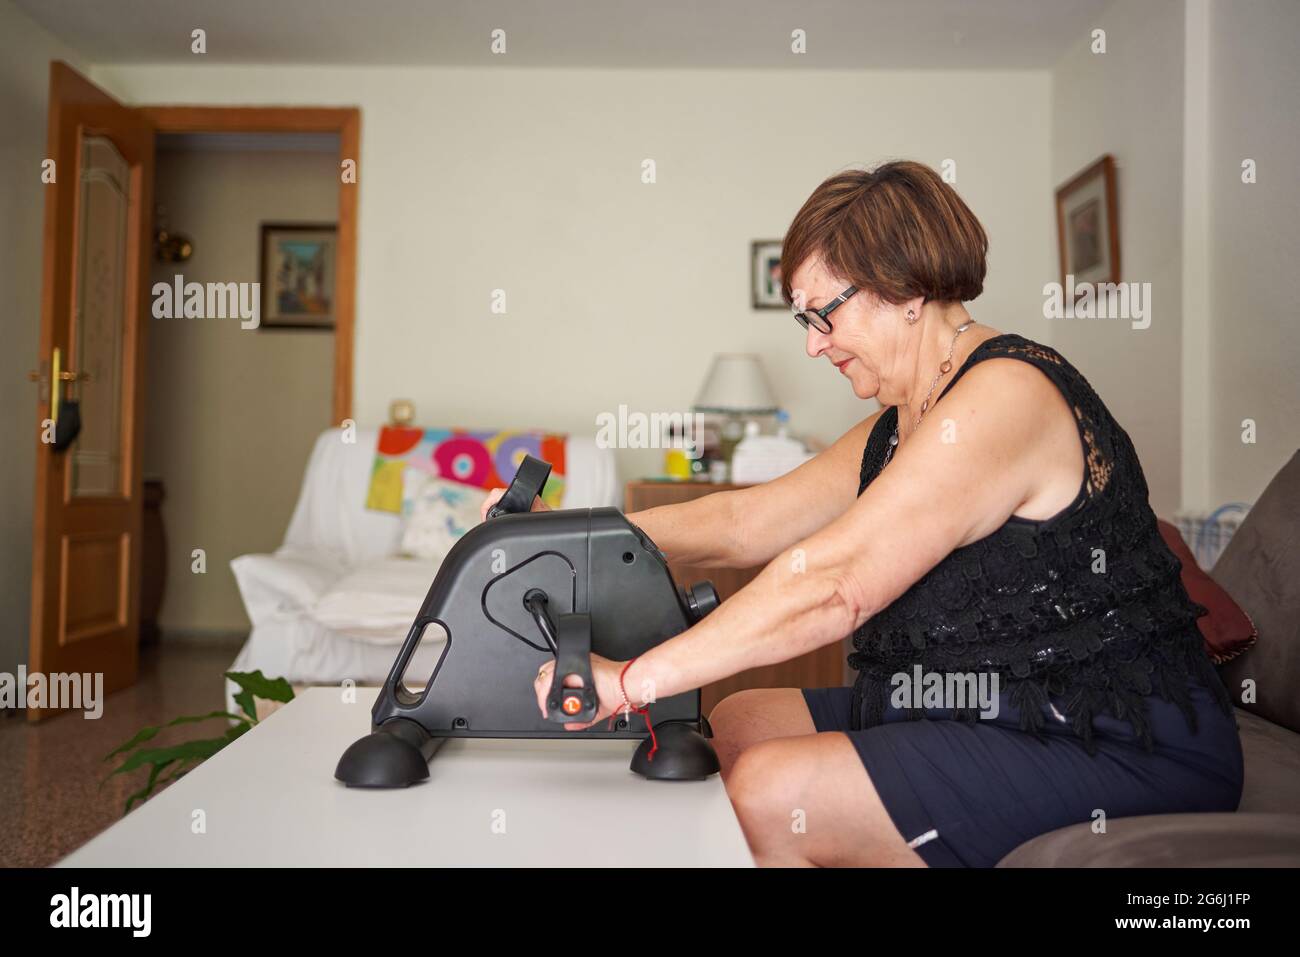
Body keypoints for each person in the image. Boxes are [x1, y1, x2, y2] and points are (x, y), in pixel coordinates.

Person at [481, 160, 1243, 868]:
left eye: (824, 314)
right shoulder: (904, 417)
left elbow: (837, 583)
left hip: (1113, 735)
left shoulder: (1005, 396)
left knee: (773, 789)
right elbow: (748, 524)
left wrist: (632, 682)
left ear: (908, 290)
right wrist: (564, 533)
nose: (815, 347)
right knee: (739, 721)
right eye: (803, 320)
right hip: (977, 701)